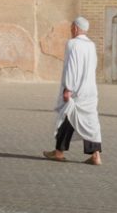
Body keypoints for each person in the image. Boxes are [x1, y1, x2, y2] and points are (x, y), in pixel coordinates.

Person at [44, 16, 103, 165]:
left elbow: (71, 67)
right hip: (90, 89)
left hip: (76, 90)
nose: (71, 30)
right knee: (90, 122)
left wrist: (68, 88)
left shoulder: (73, 44)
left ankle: (59, 152)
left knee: (68, 118)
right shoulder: (91, 45)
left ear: (76, 28)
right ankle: (95, 155)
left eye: (71, 28)